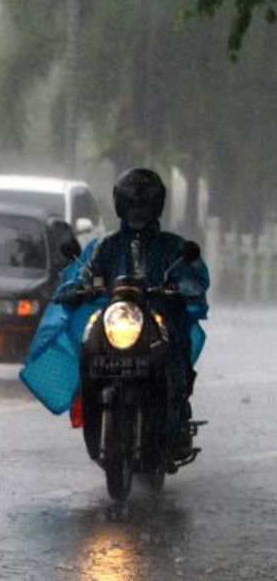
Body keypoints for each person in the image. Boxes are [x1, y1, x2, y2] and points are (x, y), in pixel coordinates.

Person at [38, 168, 210, 454]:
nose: (138, 210)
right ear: (120, 203)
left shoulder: (173, 246)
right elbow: (84, 274)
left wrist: (184, 286)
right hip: (117, 319)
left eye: (144, 203)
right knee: (89, 346)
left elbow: (194, 275)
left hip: (160, 318)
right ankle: (89, 407)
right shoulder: (105, 246)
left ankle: (175, 419)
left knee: (176, 354)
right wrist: (77, 288)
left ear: (157, 205)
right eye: (132, 203)